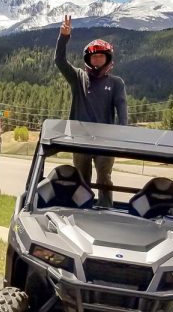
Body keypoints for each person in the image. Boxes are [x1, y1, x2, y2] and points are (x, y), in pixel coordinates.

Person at [55, 15, 128, 207]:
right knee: (82, 180)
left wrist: (124, 133)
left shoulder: (116, 83)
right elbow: (60, 61)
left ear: (108, 59)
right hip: (80, 141)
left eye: (101, 56)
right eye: (94, 56)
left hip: (106, 142)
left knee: (105, 179)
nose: (97, 60)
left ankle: (106, 210)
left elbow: (122, 109)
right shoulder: (78, 77)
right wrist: (64, 37)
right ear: (88, 59)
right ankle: (83, 209)